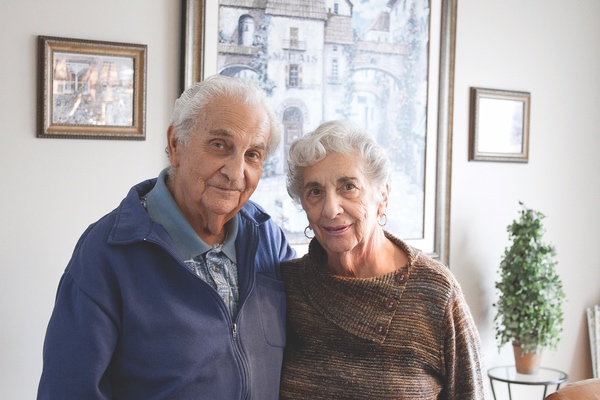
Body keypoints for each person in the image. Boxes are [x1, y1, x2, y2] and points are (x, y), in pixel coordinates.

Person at [38, 75, 296, 399]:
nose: (235, 172)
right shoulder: (107, 253)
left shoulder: (267, 238)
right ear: (176, 145)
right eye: (220, 145)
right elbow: (69, 391)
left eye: (252, 155)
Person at [279, 120, 486, 399]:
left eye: (348, 186)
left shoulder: (435, 292)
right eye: (315, 191)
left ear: (383, 196)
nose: (330, 209)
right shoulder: (286, 286)